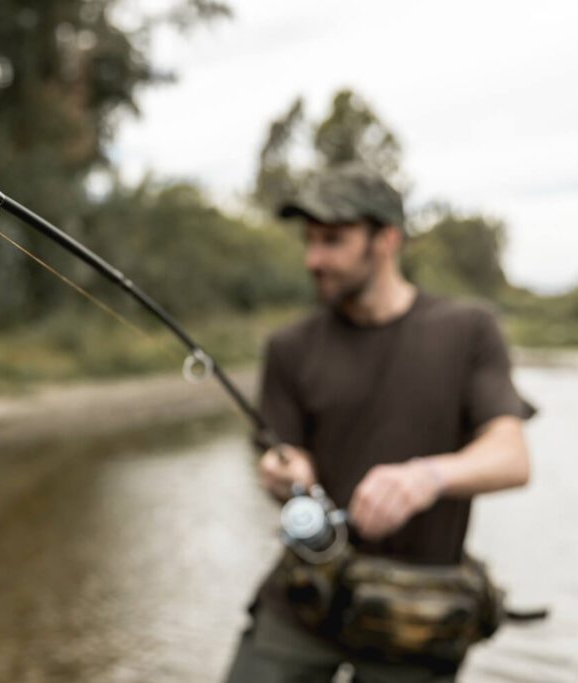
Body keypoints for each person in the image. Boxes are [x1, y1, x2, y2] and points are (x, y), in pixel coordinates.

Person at [223, 163, 536, 683]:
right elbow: (282, 453)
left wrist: (427, 477)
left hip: (417, 614)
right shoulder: (288, 347)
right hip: (304, 596)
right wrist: (284, 472)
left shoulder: (468, 330)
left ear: (386, 240)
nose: (313, 259)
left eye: (332, 241)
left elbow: (512, 457)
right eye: (309, 241)